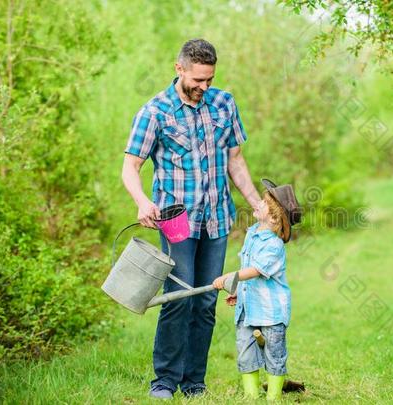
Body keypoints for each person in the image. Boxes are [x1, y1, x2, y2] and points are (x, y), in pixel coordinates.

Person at [121, 39, 261, 400]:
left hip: (217, 218)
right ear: (179, 68)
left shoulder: (224, 103)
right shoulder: (155, 112)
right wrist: (141, 201)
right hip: (176, 221)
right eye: (198, 80)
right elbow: (131, 166)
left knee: (207, 301)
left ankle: (194, 381)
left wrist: (257, 204)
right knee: (179, 297)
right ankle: (165, 381)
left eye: (209, 80)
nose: (204, 87)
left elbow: (236, 160)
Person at [213, 179, 302, 401]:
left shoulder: (274, 245)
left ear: (273, 217)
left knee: (274, 354)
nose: (258, 203)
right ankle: (250, 396)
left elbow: (255, 270)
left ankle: (273, 396)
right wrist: (238, 290)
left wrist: (228, 278)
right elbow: (246, 268)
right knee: (245, 351)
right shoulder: (252, 234)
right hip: (248, 308)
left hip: (271, 313)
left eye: (263, 202)